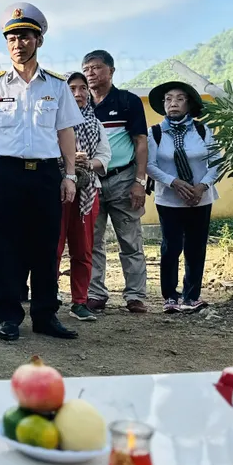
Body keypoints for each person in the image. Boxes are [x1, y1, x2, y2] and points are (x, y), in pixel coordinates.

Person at [0, 3, 83, 342]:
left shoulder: (57, 86)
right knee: (7, 247)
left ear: (39, 41)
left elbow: (66, 132)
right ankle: (9, 317)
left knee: (46, 246)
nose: (18, 44)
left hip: (46, 176)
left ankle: (45, 315)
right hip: (6, 174)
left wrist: (69, 175)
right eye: (12, 38)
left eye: (24, 36)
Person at [82, 50, 150, 314]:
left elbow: (140, 143)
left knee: (130, 240)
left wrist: (139, 182)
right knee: (92, 240)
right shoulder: (80, 105)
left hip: (123, 179)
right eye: (87, 69)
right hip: (90, 181)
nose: (91, 73)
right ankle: (95, 293)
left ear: (111, 71)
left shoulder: (128, 102)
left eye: (97, 68)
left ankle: (135, 295)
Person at [146, 81, 219, 314]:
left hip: (201, 198)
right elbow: (149, 165)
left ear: (188, 104)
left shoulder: (203, 130)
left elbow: (217, 162)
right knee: (171, 247)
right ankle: (170, 297)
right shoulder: (155, 132)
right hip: (169, 199)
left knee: (196, 247)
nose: (173, 103)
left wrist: (201, 186)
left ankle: (191, 297)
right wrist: (174, 182)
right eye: (168, 99)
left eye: (179, 98)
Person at [56, 72, 111, 322]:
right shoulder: (53, 123)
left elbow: (105, 157)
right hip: (56, 189)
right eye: (72, 89)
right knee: (52, 248)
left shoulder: (95, 124)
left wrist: (88, 162)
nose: (78, 94)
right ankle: (49, 296)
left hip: (87, 192)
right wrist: (66, 160)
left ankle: (79, 301)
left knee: (84, 248)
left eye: (82, 89)